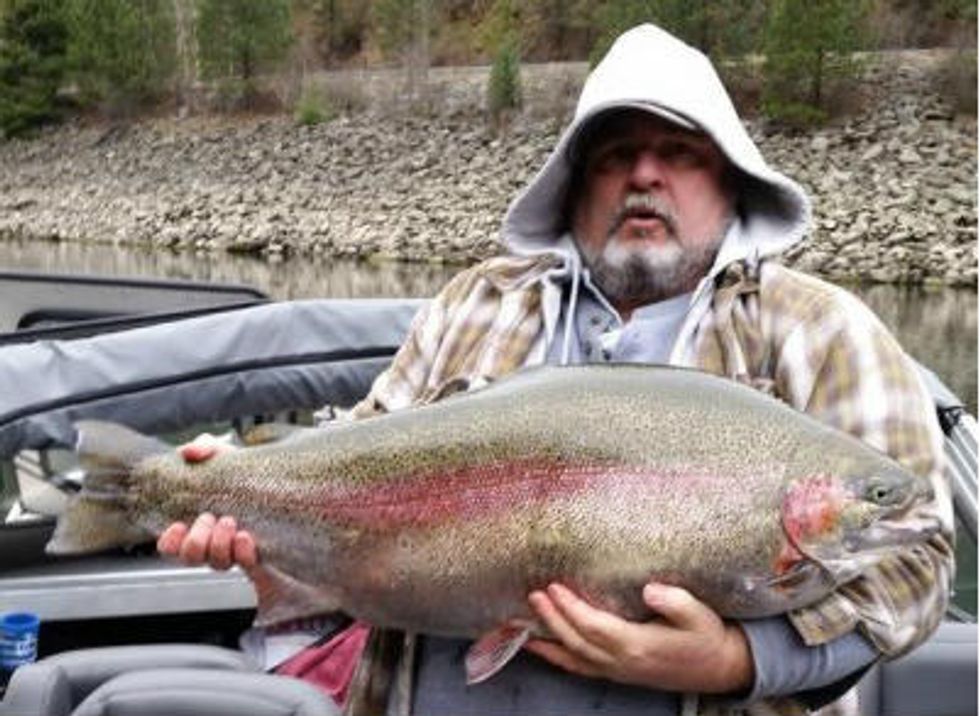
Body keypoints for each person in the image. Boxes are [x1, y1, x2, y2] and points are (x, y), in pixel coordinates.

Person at [158, 23, 953, 716]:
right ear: (575, 189)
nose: (646, 175)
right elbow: (358, 462)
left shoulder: (824, 331)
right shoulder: (472, 304)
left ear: (729, 183)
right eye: (616, 156)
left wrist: (738, 663)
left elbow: (922, 567)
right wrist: (244, 497)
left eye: (679, 152)